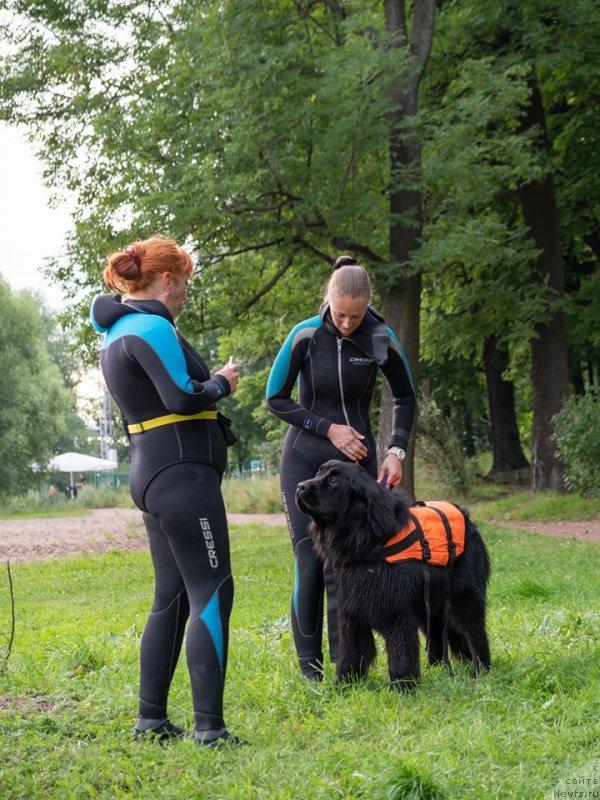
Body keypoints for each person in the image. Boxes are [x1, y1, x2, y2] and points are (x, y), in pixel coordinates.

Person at [90, 235, 241, 746]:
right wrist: (221, 382)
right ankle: (210, 730)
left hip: (154, 471)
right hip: (181, 473)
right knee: (213, 591)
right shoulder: (152, 325)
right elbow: (180, 397)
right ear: (167, 279)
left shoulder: (117, 331)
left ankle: (151, 720)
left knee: (172, 596)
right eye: (184, 286)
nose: (183, 297)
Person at [265, 256, 416, 681]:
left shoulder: (381, 337)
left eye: (355, 315)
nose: (346, 323)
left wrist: (395, 452)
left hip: (359, 464)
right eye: (339, 313)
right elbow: (275, 398)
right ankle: (310, 671)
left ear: (368, 305)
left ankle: (346, 666)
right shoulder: (305, 335)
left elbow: (405, 398)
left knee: (352, 563)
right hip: (304, 459)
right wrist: (329, 428)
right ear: (327, 300)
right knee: (311, 561)